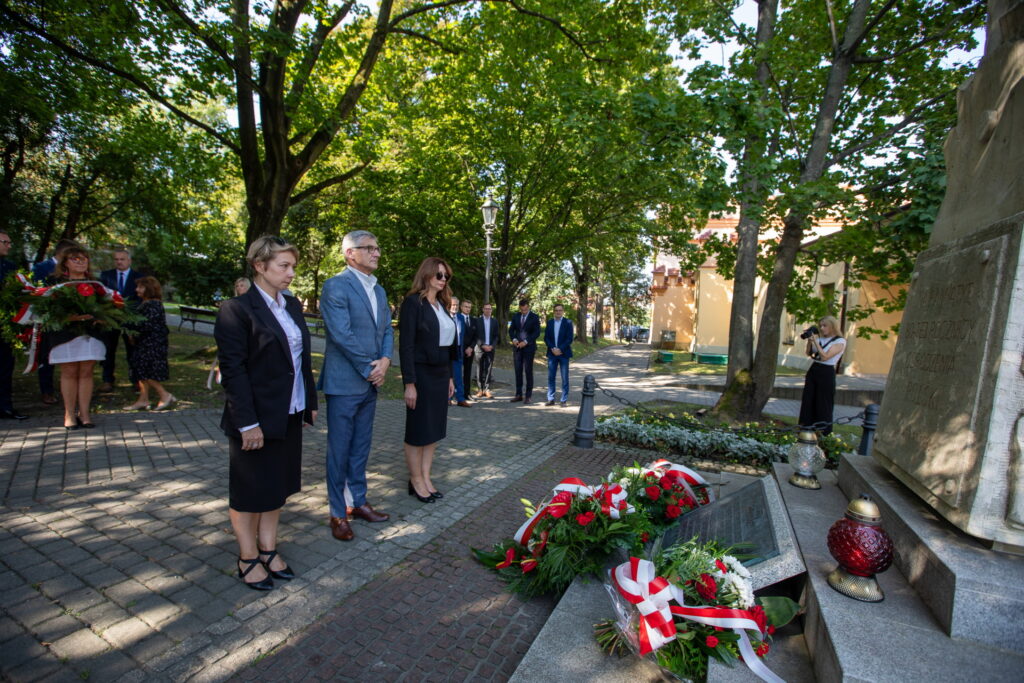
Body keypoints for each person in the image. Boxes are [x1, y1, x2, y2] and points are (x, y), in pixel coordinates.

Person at [214, 235, 317, 591]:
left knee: (277, 487)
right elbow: (234, 372)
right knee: (250, 489)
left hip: (289, 412)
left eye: (293, 266)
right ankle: (247, 556)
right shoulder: (236, 310)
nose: (291, 273)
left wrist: (309, 404)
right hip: (255, 417)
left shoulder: (291, 307)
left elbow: (300, 361)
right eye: (283, 266)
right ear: (260, 266)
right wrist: (248, 423)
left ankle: (269, 548)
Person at [319, 230, 392, 542]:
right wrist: (369, 368)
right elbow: (341, 334)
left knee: (361, 448)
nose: (376, 253)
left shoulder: (379, 290)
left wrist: (386, 360)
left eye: (377, 248)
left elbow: (387, 329)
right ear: (350, 253)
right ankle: (338, 512)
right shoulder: (336, 285)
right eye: (369, 248)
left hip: (370, 382)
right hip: (345, 382)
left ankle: (357, 502)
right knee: (339, 450)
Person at [399, 257, 457, 503]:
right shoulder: (413, 304)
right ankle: (415, 479)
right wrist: (409, 383)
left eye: (446, 276)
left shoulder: (442, 306)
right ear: (426, 275)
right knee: (418, 430)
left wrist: (451, 377)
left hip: (440, 375)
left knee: (433, 430)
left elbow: (448, 346)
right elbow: (406, 346)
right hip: (421, 375)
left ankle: (425, 477)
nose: (443, 280)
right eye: (439, 275)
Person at [48, 246, 106, 429]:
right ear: (65, 262)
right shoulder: (56, 284)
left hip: (90, 333)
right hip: (65, 334)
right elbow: (47, 312)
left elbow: (108, 307)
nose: (81, 262)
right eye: (75, 259)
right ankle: (69, 413)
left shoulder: (97, 285)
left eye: (84, 259)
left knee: (87, 372)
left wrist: (101, 317)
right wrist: (69, 317)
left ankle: (85, 413)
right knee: (70, 371)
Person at [33, 238, 79, 405]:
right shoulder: (41, 268)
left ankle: (70, 392)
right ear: (62, 253)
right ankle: (47, 390)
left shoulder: (71, 270)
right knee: (46, 356)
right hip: (49, 319)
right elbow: (38, 292)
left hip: (71, 320)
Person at [124, 276, 175, 411]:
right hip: (145, 343)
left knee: (145, 371)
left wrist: (130, 327)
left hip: (151, 344)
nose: (137, 290)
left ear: (149, 288)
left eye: (141, 287)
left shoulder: (153, 304)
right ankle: (143, 399)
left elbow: (146, 324)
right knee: (141, 372)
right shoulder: (146, 303)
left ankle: (164, 395)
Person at [99, 248, 142, 393]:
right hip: (111, 320)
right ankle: (107, 380)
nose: (119, 262)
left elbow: (140, 299)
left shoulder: (138, 277)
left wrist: (127, 309)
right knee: (108, 350)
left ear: (129, 260)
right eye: (116, 259)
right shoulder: (106, 276)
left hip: (130, 320)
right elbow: (101, 298)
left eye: (122, 259)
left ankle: (136, 379)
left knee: (133, 351)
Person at [798, 315, 846, 436]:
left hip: (826, 372)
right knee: (808, 400)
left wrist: (816, 342)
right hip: (814, 369)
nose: (822, 328)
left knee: (823, 402)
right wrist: (810, 341)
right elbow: (809, 353)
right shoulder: (819, 339)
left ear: (832, 327)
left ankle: (823, 432)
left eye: (825, 326)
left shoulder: (840, 341)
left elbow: (825, 357)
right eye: (821, 326)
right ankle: (805, 429)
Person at [0, 230, 27, 420]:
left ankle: (5, 406)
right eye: (5, 242)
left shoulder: (10, 267)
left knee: (5, 366)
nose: (9, 245)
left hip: (5, 326)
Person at [508, 298, 540, 404]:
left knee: (528, 371)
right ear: (519, 308)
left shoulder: (534, 317)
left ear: (528, 307)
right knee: (518, 371)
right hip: (517, 348)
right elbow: (511, 330)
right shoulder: (516, 316)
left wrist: (526, 341)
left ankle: (528, 395)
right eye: (522, 310)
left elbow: (536, 333)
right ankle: (518, 394)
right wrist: (514, 339)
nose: (523, 312)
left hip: (529, 348)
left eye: (525, 310)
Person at [544, 303, 574, 407]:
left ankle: (563, 400)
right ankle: (550, 399)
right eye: (556, 310)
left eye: (560, 310)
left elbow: (569, 338)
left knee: (564, 378)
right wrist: (553, 348)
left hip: (563, 354)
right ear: (554, 311)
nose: (558, 312)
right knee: (551, 377)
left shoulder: (568, 322)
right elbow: (546, 338)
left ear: (563, 311)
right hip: (552, 354)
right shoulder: (550, 322)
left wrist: (560, 349)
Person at [473, 303, 500, 399]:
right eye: (486, 309)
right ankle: (480, 389)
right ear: (483, 310)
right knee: (479, 368)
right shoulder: (477, 321)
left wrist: (492, 346)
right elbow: (475, 335)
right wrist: (482, 345)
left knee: (489, 369)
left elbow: (496, 336)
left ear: (491, 310)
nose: (488, 310)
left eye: (489, 309)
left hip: (490, 349)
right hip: (480, 349)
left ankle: (487, 389)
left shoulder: (494, 321)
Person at [448, 296, 471, 408]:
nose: (455, 307)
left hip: (458, 350)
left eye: (457, 305)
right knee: (447, 374)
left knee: (458, 376)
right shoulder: (445, 316)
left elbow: (463, 336)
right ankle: (447, 398)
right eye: (453, 305)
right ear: (449, 305)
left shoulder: (461, 318)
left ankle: (460, 399)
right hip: (447, 351)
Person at [457, 299, 477, 402]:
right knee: (457, 372)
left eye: (469, 307)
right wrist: (464, 348)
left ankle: (467, 393)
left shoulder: (474, 320)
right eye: (465, 306)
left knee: (468, 372)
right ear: (461, 307)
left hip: (470, 351)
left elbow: (476, 336)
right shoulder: (457, 318)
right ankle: (457, 393)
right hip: (459, 350)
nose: (467, 309)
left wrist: (471, 348)